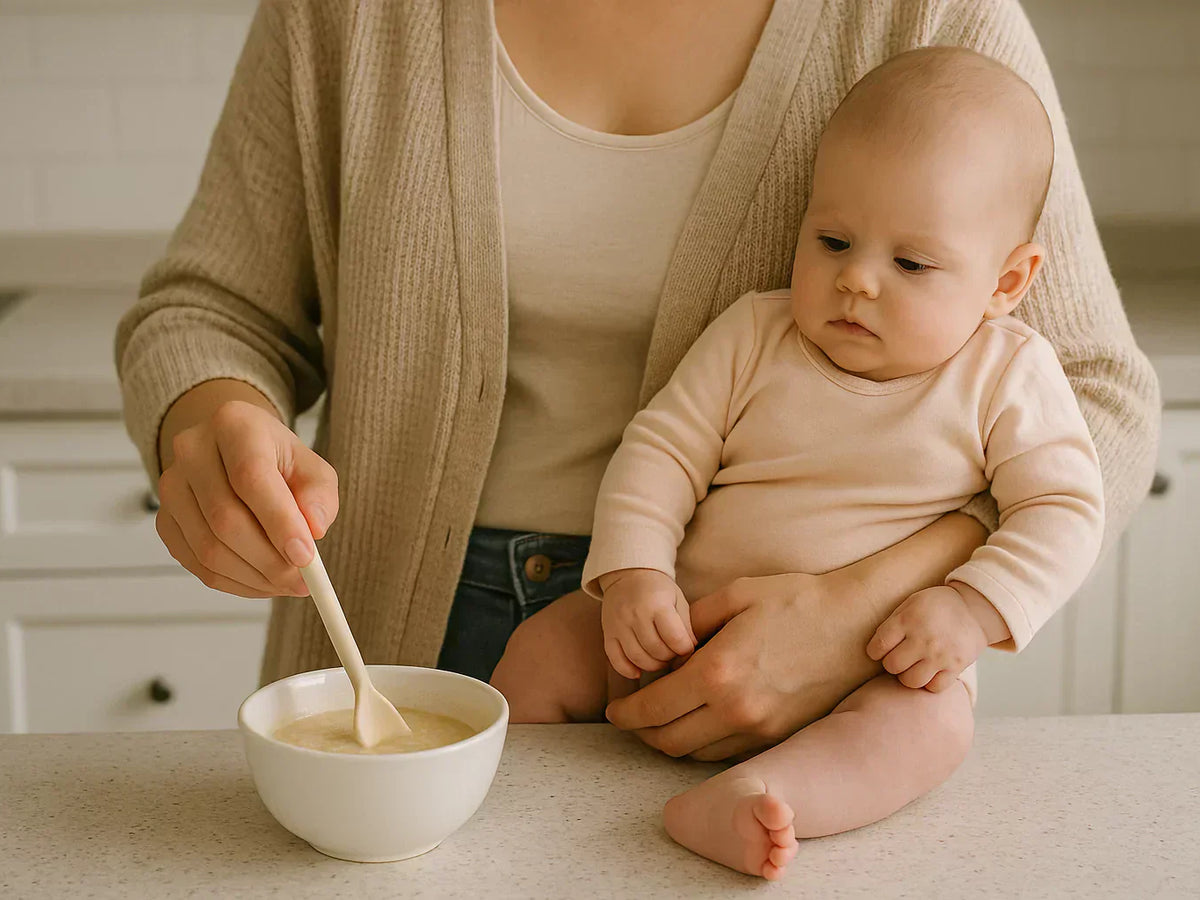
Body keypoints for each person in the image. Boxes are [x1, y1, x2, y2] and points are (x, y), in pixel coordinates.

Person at [115, 0, 1159, 772]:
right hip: (394, 643)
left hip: (782, 681)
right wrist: (211, 417)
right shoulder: (352, 17)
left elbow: (1101, 400)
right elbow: (208, 308)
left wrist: (862, 610)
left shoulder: (927, 19)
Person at [489, 46, 1105, 880]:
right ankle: (504, 807)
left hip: (874, 665)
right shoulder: (755, 334)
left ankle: (761, 794)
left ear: (1008, 279)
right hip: (682, 624)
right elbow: (661, 451)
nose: (857, 280)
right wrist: (635, 573)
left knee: (930, 726)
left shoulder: (1005, 376)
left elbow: (1065, 509)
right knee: (543, 645)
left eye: (911, 263)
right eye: (834, 239)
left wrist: (971, 608)